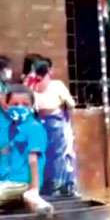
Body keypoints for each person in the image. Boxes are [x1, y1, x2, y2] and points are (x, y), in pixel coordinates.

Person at [0, 84, 52, 215]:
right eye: (15, 104)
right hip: (9, 181)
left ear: (32, 107)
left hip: (23, 182)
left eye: (25, 104)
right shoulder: (11, 128)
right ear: (7, 105)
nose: (20, 107)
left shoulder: (34, 128)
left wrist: (34, 189)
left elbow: (33, 160)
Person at [30, 58, 78, 196]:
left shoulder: (33, 87)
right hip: (53, 123)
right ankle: (58, 185)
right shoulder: (56, 85)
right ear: (49, 71)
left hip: (42, 123)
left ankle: (50, 185)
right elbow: (71, 104)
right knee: (59, 154)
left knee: (47, 154)